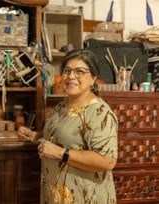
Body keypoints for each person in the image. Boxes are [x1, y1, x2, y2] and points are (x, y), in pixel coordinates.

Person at [18, 49, 118, 204]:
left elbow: (107, 161)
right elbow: (59, 140)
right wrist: (35, 136)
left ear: (93, 78)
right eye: (67, 71)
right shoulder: (61, 106)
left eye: (80, 71)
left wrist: (60, 153)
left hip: (85, 197)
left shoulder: (99, 113)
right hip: (56, 194)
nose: (71, 76)